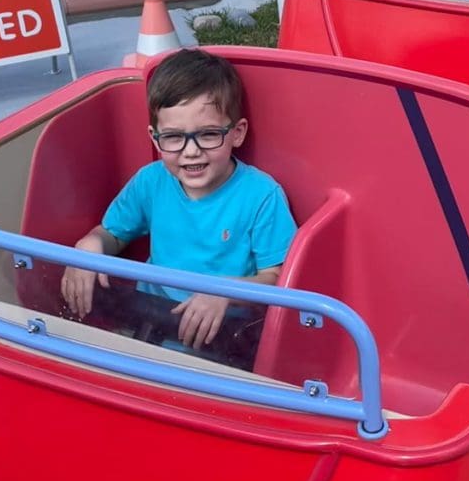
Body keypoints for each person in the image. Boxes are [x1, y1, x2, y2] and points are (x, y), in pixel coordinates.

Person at [60, 49, 297, 358]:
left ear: (237, 133)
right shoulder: (151, 181)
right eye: (173, 137)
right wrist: (90, 245)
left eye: (209, 134)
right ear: (155, 138)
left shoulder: (262, 196)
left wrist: (225, 293)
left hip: (226, 340)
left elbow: (280, 279)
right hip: (147, 323)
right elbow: (113, 234)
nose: (191, 151)